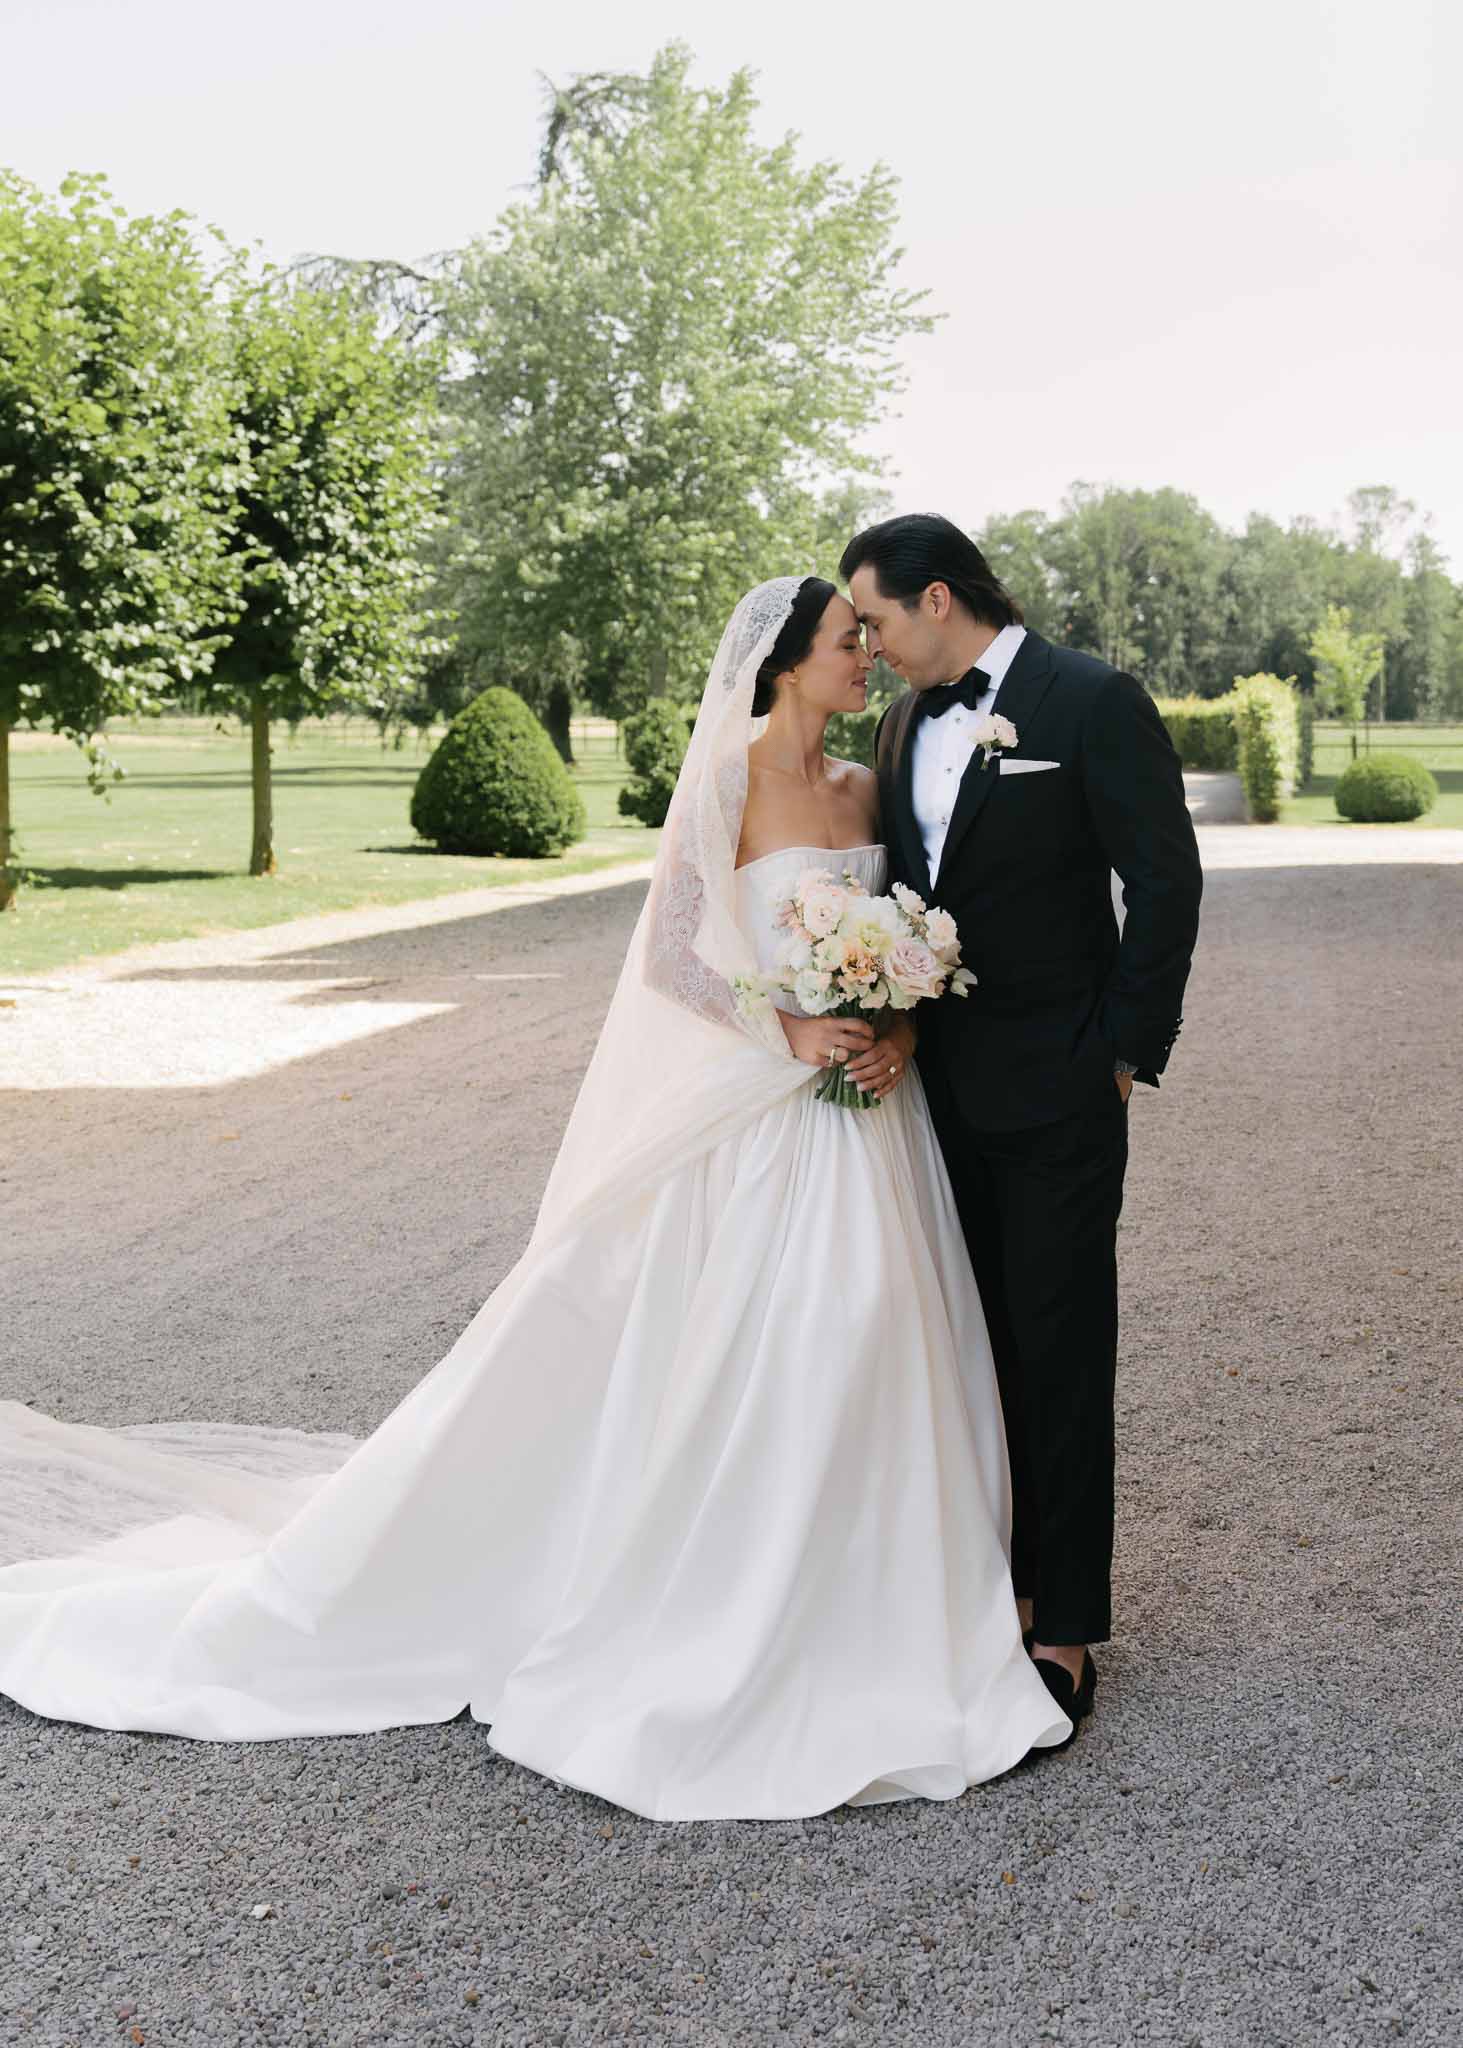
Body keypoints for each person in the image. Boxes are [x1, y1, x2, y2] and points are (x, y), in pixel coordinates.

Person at [0, 575, 1070, 1822]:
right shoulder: (725, 779)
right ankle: (730, 1596)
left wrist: (893, 1027)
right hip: (767, 1118)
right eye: (845, 643)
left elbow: (908, 927)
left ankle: (886, 1597)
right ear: (782, 663)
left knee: (887, 1331)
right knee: (778, 1341)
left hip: (873, 1124)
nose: (866, 661)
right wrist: (788, 1029)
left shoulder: (864, 781)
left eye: (865, 641)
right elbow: (676, 955)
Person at [842, 514, 1204, 1742]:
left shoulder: (1092, 701)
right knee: (966, 1343)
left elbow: (1163, 879)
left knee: (1056, 1344)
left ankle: (1064, 1626)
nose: (871, 644)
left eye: (878, 619)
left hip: (1057, 1089)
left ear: (935, 597)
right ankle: (990, 1585)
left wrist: (1120, 1052)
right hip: (927, 1091)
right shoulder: (900, 727)